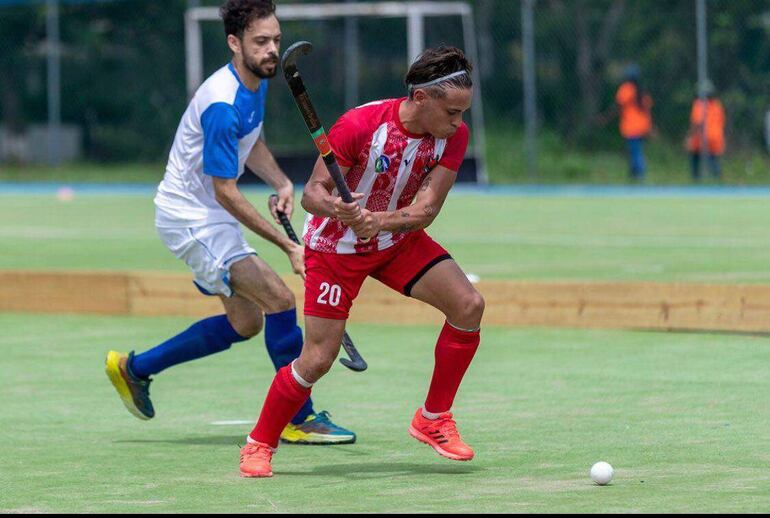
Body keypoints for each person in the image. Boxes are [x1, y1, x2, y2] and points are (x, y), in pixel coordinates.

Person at [104, 0, 355, 446]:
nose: (272, 50)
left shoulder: (252, 84)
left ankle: (134, 368)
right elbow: (226, 191)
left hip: (209, 215)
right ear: (234, 43)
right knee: (278, 299)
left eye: (276, 40)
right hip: (192, 220)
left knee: (246, 323)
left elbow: (250, 142)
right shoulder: (221, 103)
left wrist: (280, 181)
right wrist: (288, 246)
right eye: (261, 42)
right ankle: (300, 416)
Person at [238, 46, 486, 478]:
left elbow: (426, 208)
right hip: (335, 251)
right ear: (421, 98)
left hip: (398, 241)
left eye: (462, 113)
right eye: (451, 112)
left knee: (469, 306)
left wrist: (381, 220)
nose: (457, 123)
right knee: (317, 359)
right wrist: (339, 210)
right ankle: (259, 444)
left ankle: (433, 419)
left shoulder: (451, 136)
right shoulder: (359, 125)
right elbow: (314, 194)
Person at [615, 65, 653, 182]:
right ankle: (633, 173)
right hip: (642, 126)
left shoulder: (626, 89)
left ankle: (640, 173)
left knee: (635, 151)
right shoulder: (641, 90)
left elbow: (619, 104)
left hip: (631, 127)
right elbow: (648, 108)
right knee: (635, 150)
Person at [687, 79, 725, 181]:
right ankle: (717, 179)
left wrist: (690, 137)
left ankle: (696, 179)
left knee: (695, 156)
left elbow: (697, 123)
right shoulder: (717, 105)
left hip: (702, 137)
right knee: (713, 159)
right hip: (716, 136)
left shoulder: (699, 104)